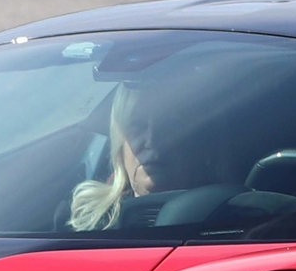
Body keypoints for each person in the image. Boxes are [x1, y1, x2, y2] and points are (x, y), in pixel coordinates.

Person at [67, 67, 231, 231]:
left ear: (202, 143)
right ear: (119, 144)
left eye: (169, 125)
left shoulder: (239, 223)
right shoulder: (84, 225)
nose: (152, 141)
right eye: (137, 126)